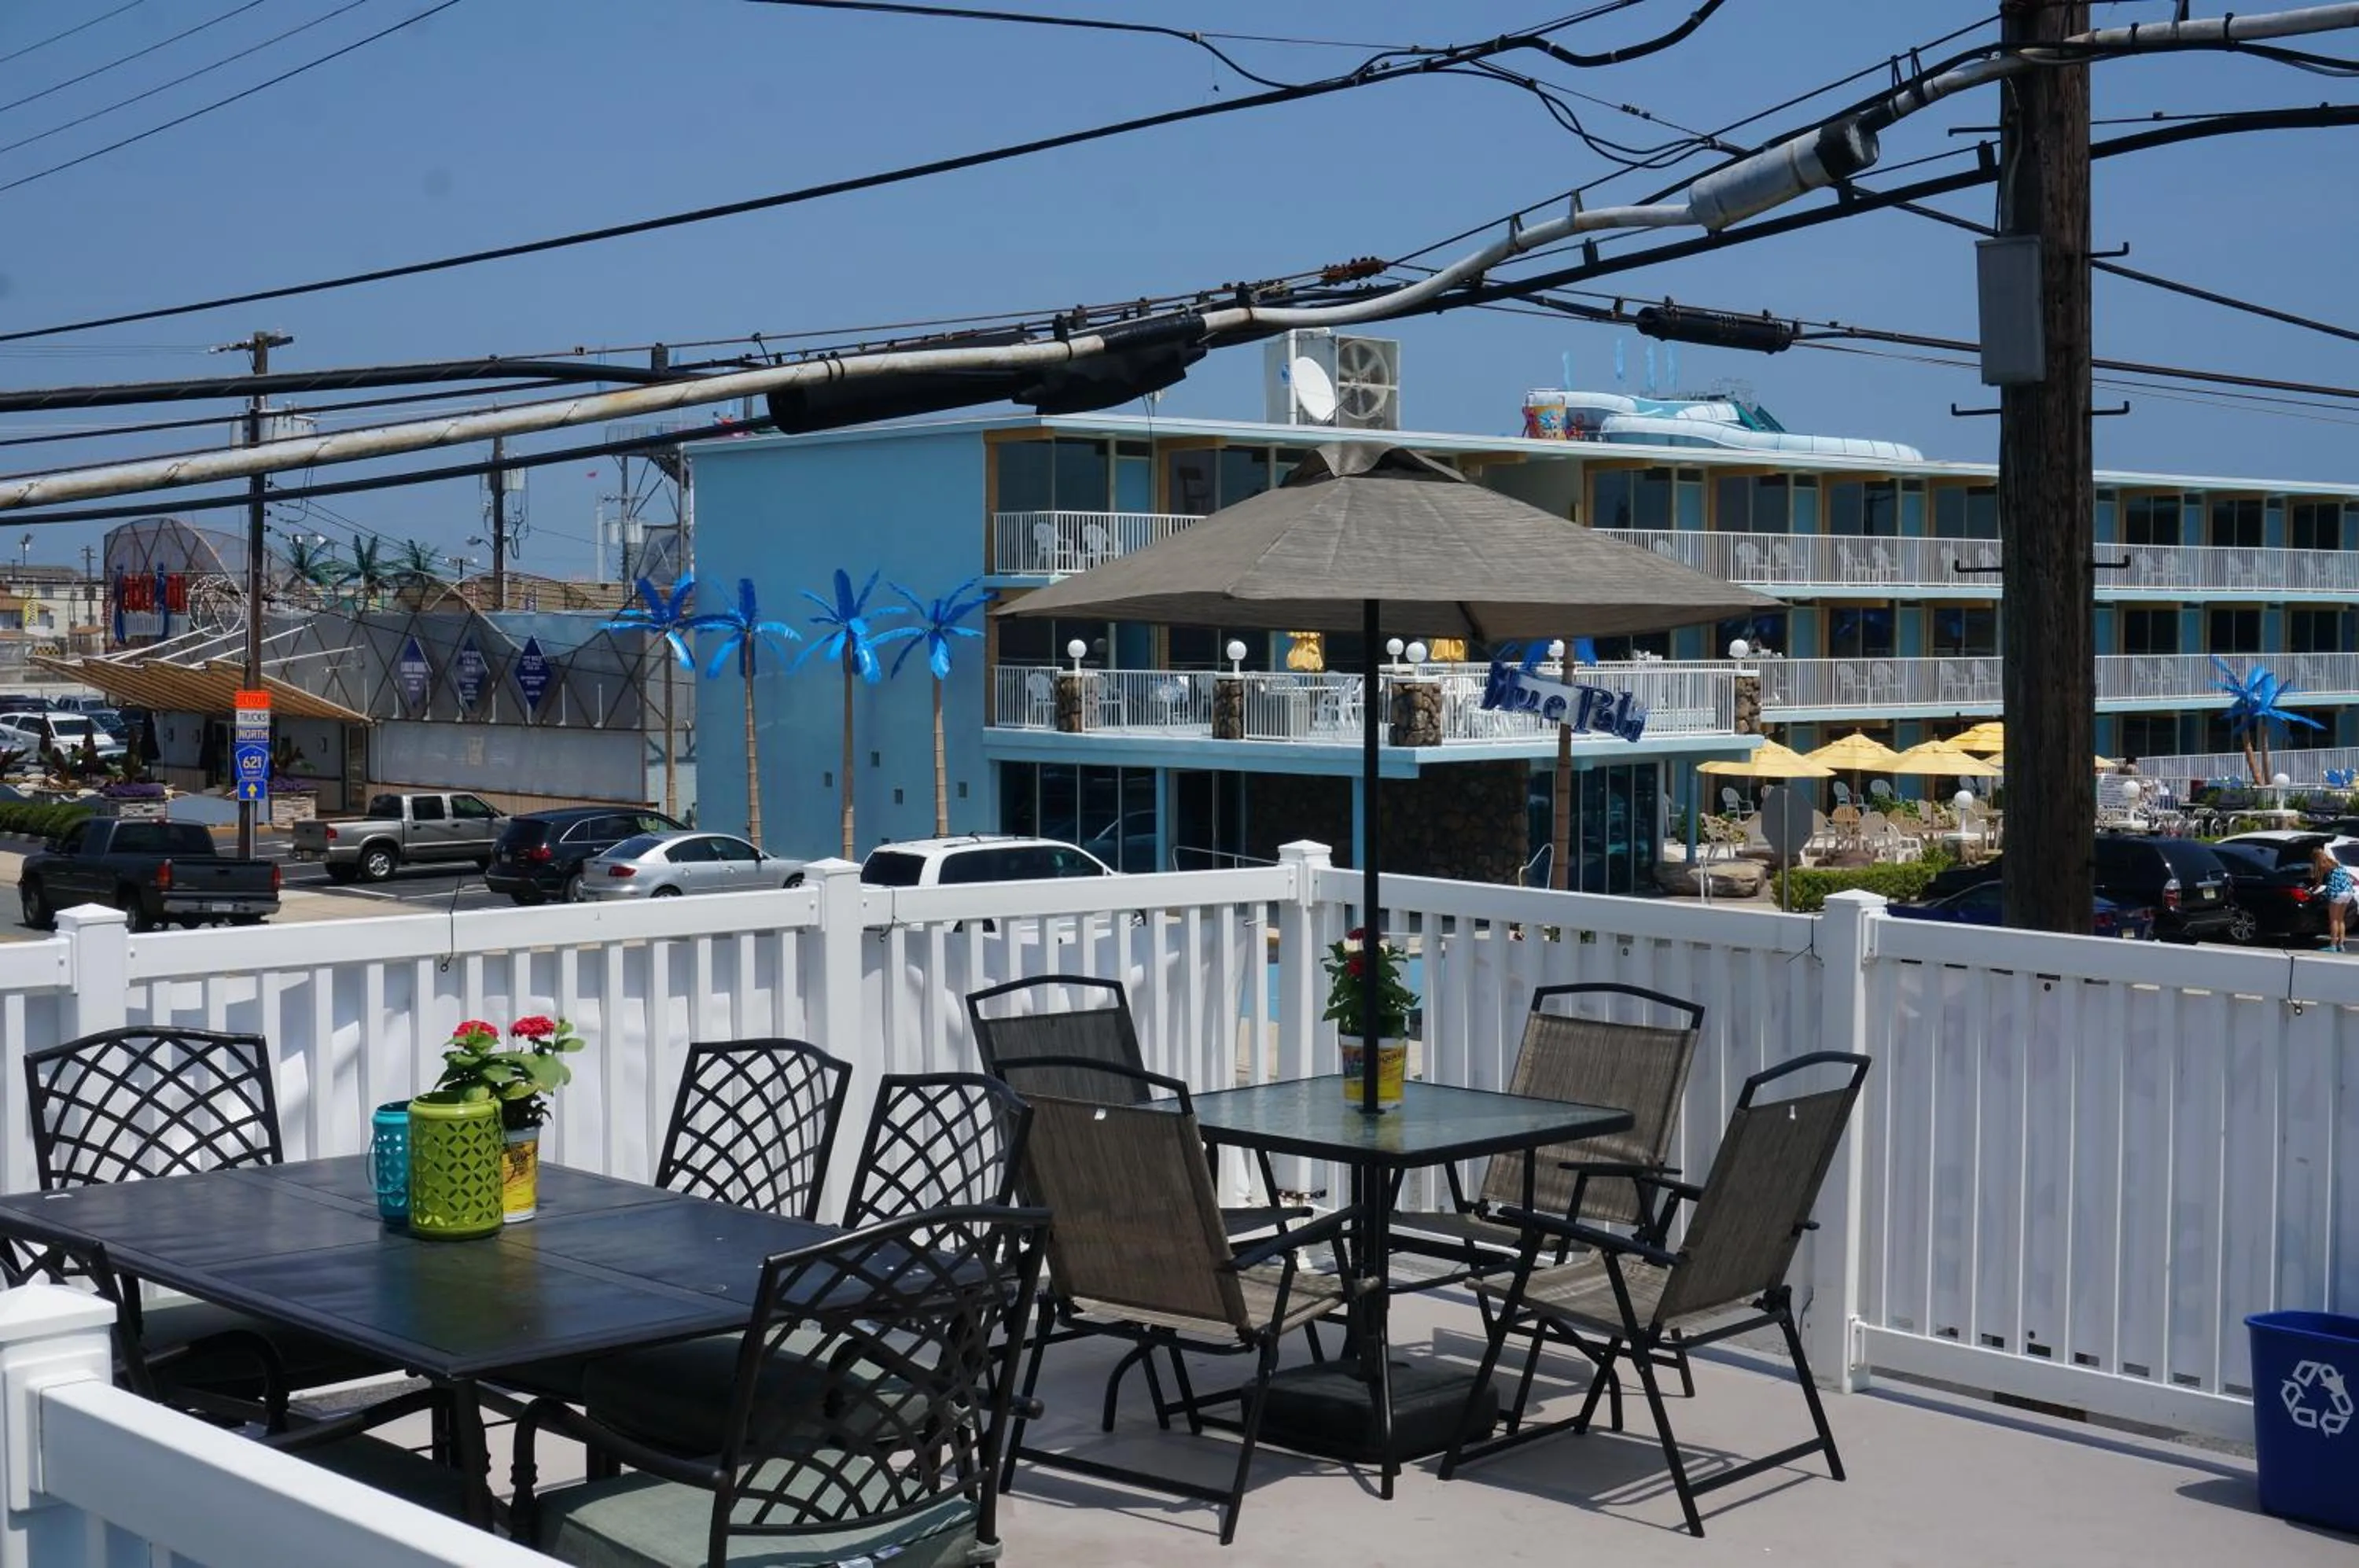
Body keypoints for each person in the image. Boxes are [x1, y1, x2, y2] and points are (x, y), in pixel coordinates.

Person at [2313, 845, 2353, 953]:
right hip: (2348, 891)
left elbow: (2319, 884)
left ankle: (2332, 946)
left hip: (2337, 892)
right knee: (2341, 919)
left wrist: (2310, 891)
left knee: (2334, 920)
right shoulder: (2334, 861)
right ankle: (2341, 945)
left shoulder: (2322, 865)